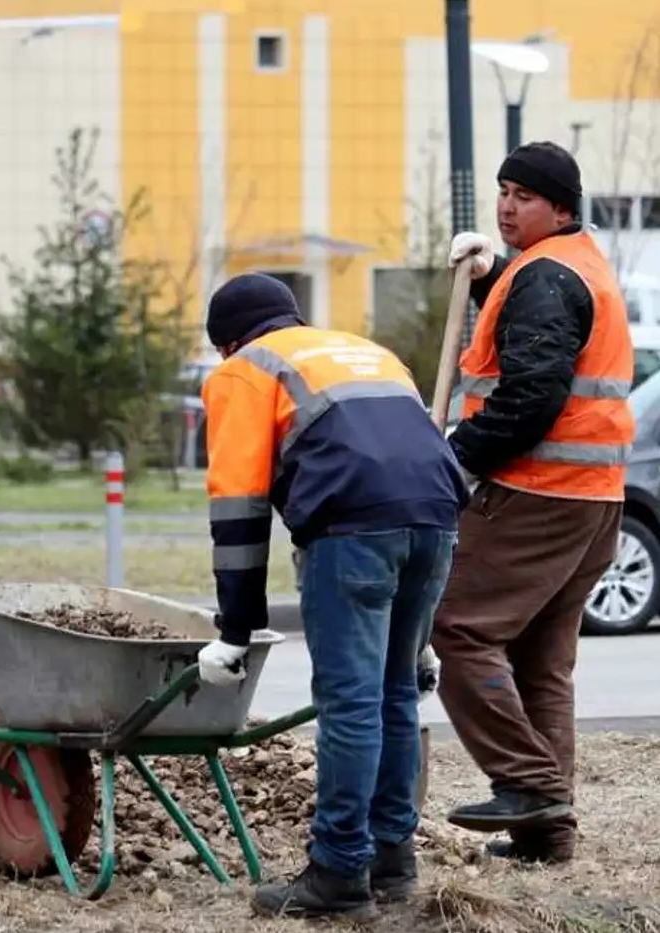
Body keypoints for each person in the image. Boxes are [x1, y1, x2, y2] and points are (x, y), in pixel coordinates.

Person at [194, 273, 469, 920]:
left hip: (352, 530)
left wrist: (235, 630)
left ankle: (340, 871)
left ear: (228, 340)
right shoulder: (366, 351)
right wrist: (423, 635)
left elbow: (238, 510)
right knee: (397, 689)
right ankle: (392, 859)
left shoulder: (243, 369)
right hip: (438, 518)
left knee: (350, 703)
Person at [430, 141, 634, 864]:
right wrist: (491, 278)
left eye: (525, 195)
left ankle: (529, 782)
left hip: (537, 495)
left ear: (562, 207)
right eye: (503, 190)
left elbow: (532, 394)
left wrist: (450, 456)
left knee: (456, 627)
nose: (508, 205)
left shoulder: (547, 275)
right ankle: (547, 834)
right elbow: (540, 337)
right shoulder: (575, 266)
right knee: (541, 664)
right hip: (595, 499)